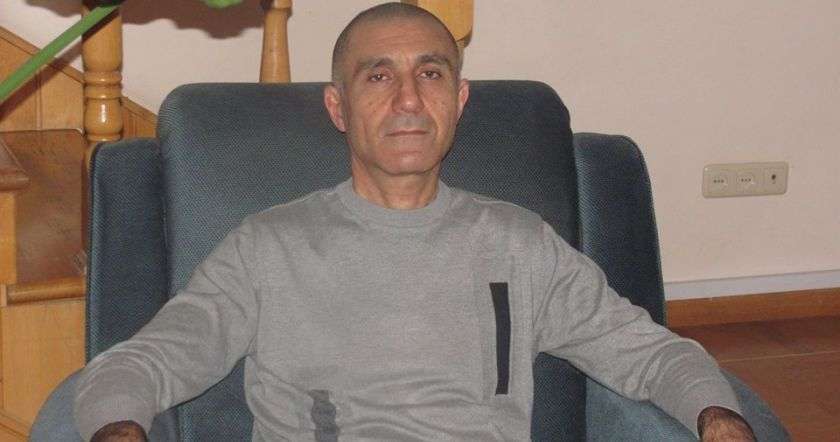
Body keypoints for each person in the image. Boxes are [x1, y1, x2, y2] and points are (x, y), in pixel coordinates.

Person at [72, 3, 757, 441]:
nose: (408, 100)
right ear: (338, 108)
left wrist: (717, 415)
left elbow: (645, 351)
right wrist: (119, 428)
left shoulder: (519, 244)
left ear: (458, 100)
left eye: (430, 75)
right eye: (378, 77)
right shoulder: (269, 247)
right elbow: (147, 361)